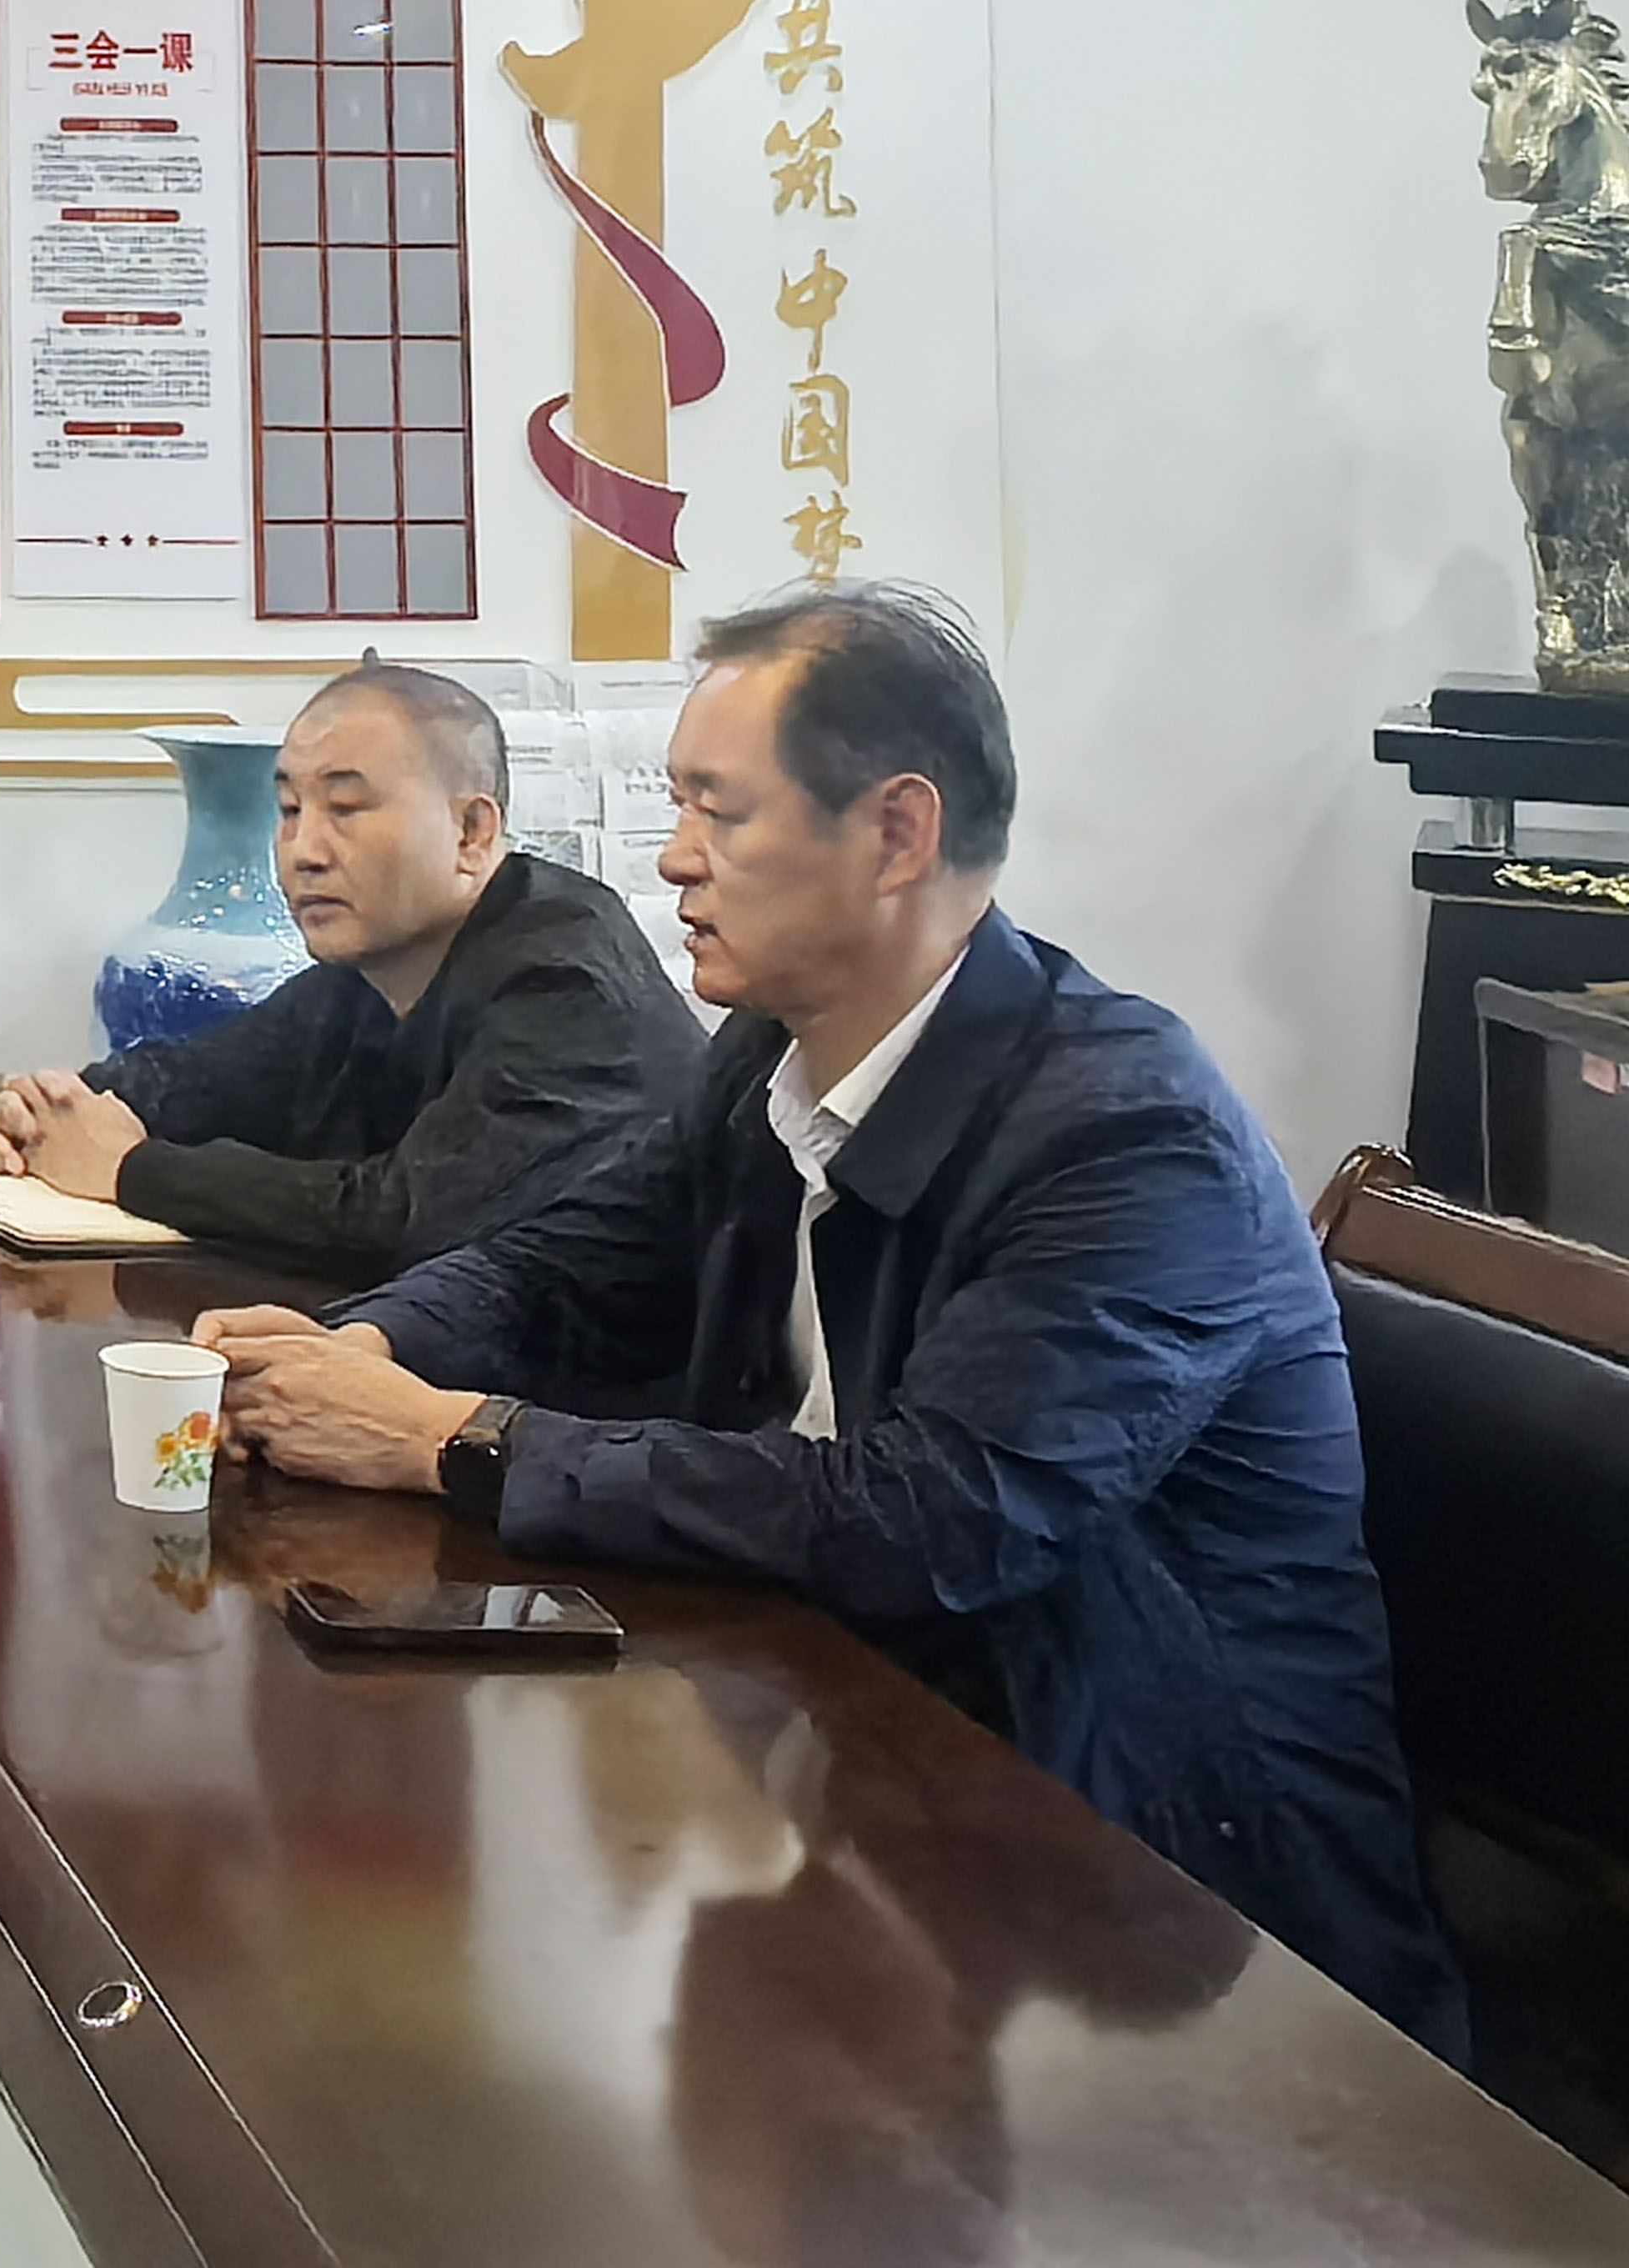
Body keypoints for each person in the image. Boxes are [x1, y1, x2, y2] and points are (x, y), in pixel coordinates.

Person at [198, 585, 1463, 2049]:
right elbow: (573, 1260)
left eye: (719, 813)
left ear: (898, 834)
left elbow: (936, 1518)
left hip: (1185, 1909)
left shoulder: (1127, 1137)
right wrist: (367, 1349)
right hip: (870, 1746)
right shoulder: (770, 1059)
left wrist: (452, 1439)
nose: (673, 857)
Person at [0, 662, 704, 1282]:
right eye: (290, 809)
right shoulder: (370, 970)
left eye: (347, 808)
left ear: (471, 832)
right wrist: (53, 1112)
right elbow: (197, 1081)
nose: (304, 850)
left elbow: (402, 1220)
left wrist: (129, 1169)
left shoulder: (564, 978)